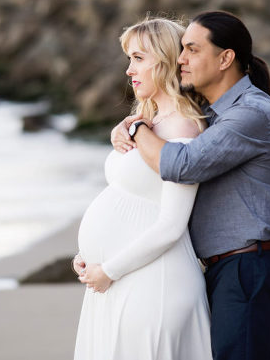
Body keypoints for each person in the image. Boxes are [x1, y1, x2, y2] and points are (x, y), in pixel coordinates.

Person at [111, 11, 270, 360]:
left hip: (250, 268)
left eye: (192, 50)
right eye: (181, 49)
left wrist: (136, 128)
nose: (180, 59)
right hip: (223, 269)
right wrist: (129, 123)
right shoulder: (210, 113)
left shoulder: (251, 112)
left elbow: (182, 165)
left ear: (225, 58)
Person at [72, 18, 213, 360]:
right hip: (121, 280)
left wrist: (108, 270)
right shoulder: (145, 122)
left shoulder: (183, 126)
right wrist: (93, 259)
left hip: (154, 284)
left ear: (164, 61)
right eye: (129, 59)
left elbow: (171, 225)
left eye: (137, 58)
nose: (128, 70)